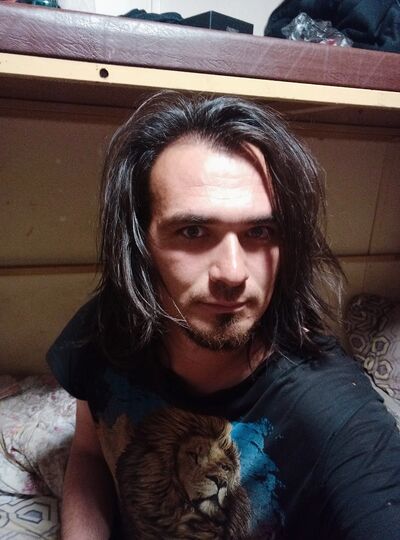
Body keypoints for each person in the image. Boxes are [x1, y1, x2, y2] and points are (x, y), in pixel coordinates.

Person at [47, 92, 400, 540]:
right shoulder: (108, 326)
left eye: (260, 231)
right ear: (140, 245)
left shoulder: (335, 414)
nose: (233, 273)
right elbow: (90, 452)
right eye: (193, 231)